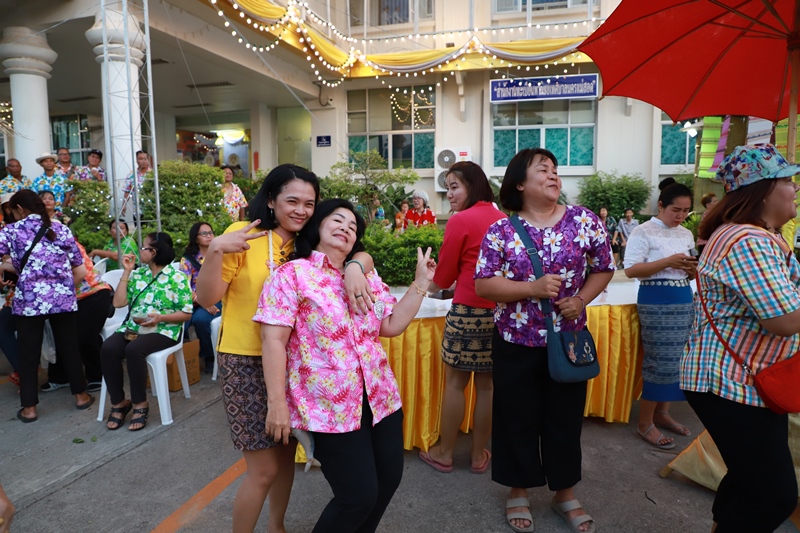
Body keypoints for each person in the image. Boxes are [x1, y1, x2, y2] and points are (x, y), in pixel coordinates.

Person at [195, 164, 375, 533]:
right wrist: (215, 250)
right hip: (245, 361)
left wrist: (355, 266)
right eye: (292, 201)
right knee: (263, 470)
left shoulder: (307, 239)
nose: (301, 210)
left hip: (295, 363)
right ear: (271, 200)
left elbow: (359, 250)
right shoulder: (242, 234)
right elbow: (206, 298)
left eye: (309, 203)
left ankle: (277, 527)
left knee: (284, 456)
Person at [256, 198, 436, 533]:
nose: (346, 228)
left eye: (353, 226)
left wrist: (421, 282)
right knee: (357, 497)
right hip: (329, 407)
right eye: (337, 220)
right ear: (318, 226)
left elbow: (391, 324)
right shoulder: (292, 275)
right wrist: (276, 402)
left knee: (388, 481)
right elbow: (273, 341)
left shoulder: (366, 276)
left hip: (380, 398)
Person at [474, 148, 613, 533]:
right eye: (543, 170)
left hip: (567, 342)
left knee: (565, 419)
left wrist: (581, 299)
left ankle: (564, 492)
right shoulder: (501, 231)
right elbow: (483, 284)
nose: (553, 175)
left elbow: (604, 268)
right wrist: (530, 288)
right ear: (520, 183)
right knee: (516, 418)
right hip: (515, 341)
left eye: (555, 170)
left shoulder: (583, 220)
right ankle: (518, 489)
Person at [682, 144, 800, 532]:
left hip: (751, 380)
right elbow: (785, 319)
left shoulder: (765, 236)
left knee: (749, 478)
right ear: (762, 190)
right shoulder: (746, 240)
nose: (795, 187)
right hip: (732, 381)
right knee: (773, 495)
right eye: (787, 180)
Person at [418, 161, 505, 475]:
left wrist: (430, 276)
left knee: (456, 384)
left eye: (455, 187)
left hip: (467, 309)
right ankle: (479, 455)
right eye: (448, 188)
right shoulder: (504, 220)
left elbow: (442, 279)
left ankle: (445, 453)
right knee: (487, 387)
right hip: (499, 311)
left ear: (473, 186)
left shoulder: (460, 220)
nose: (450, 195)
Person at [0, 190, 93, 422]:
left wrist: (5, 270)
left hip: (29, 300)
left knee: (28, 353)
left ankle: (29, 409)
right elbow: (78, 266)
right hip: (62, 298)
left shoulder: (11, 230)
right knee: (69, 347)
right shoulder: (61, 229)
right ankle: (81, 396)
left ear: (19, 208)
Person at [624, 177, 696, 450]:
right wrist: (667, 261)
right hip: (656, 299)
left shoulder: (686, 234)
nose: (681, 216)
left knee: (678, 360)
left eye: (685, 211)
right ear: (661, 206)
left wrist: (691, 268)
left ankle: (662, 413)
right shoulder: (643, 231)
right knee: (659, 360)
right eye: (675, 210)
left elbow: (692, 271)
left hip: (683, 296)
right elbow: (631, 269)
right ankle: (644, 422)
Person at [101, 232, 193, 431]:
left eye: (143, 247)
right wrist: (126, 272)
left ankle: (140, 403)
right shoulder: (138, 274)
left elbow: (186, 313)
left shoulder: (176, 277)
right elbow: (118, 303)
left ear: (154, 252)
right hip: (135, 327)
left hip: (165, 330)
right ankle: (119, 402)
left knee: (134, 350)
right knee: (109, 348)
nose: (139, 251)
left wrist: (160, 318)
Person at [40, 238, 112, 394]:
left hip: (93, 294)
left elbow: (79, 274)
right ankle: (60, 377)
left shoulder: (66, 243)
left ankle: (97, 375)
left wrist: (56, 294)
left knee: (84, 336)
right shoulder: (38, 247)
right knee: (59, 334)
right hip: (69, 298)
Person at [179, 221, 220, 374]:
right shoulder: (188, 260)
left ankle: (209, 357)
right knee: (182, 322)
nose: (209, 236)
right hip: (193, 300)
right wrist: (201, 301)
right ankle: (184, 360)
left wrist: (207, 301)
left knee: (201, 320)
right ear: (196, 238)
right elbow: (184, 286)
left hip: (216, 298)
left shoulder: (220, 255)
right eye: (204, 233)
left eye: (210, 232)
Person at [122, 150, 152, 216]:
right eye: (140, 159)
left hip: (152, 210)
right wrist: (124, 204)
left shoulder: (153, 174)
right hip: (137, 212)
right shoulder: (131, 175)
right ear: (136, 160)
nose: (143, 161)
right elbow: (127, 191)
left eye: (145, 159)